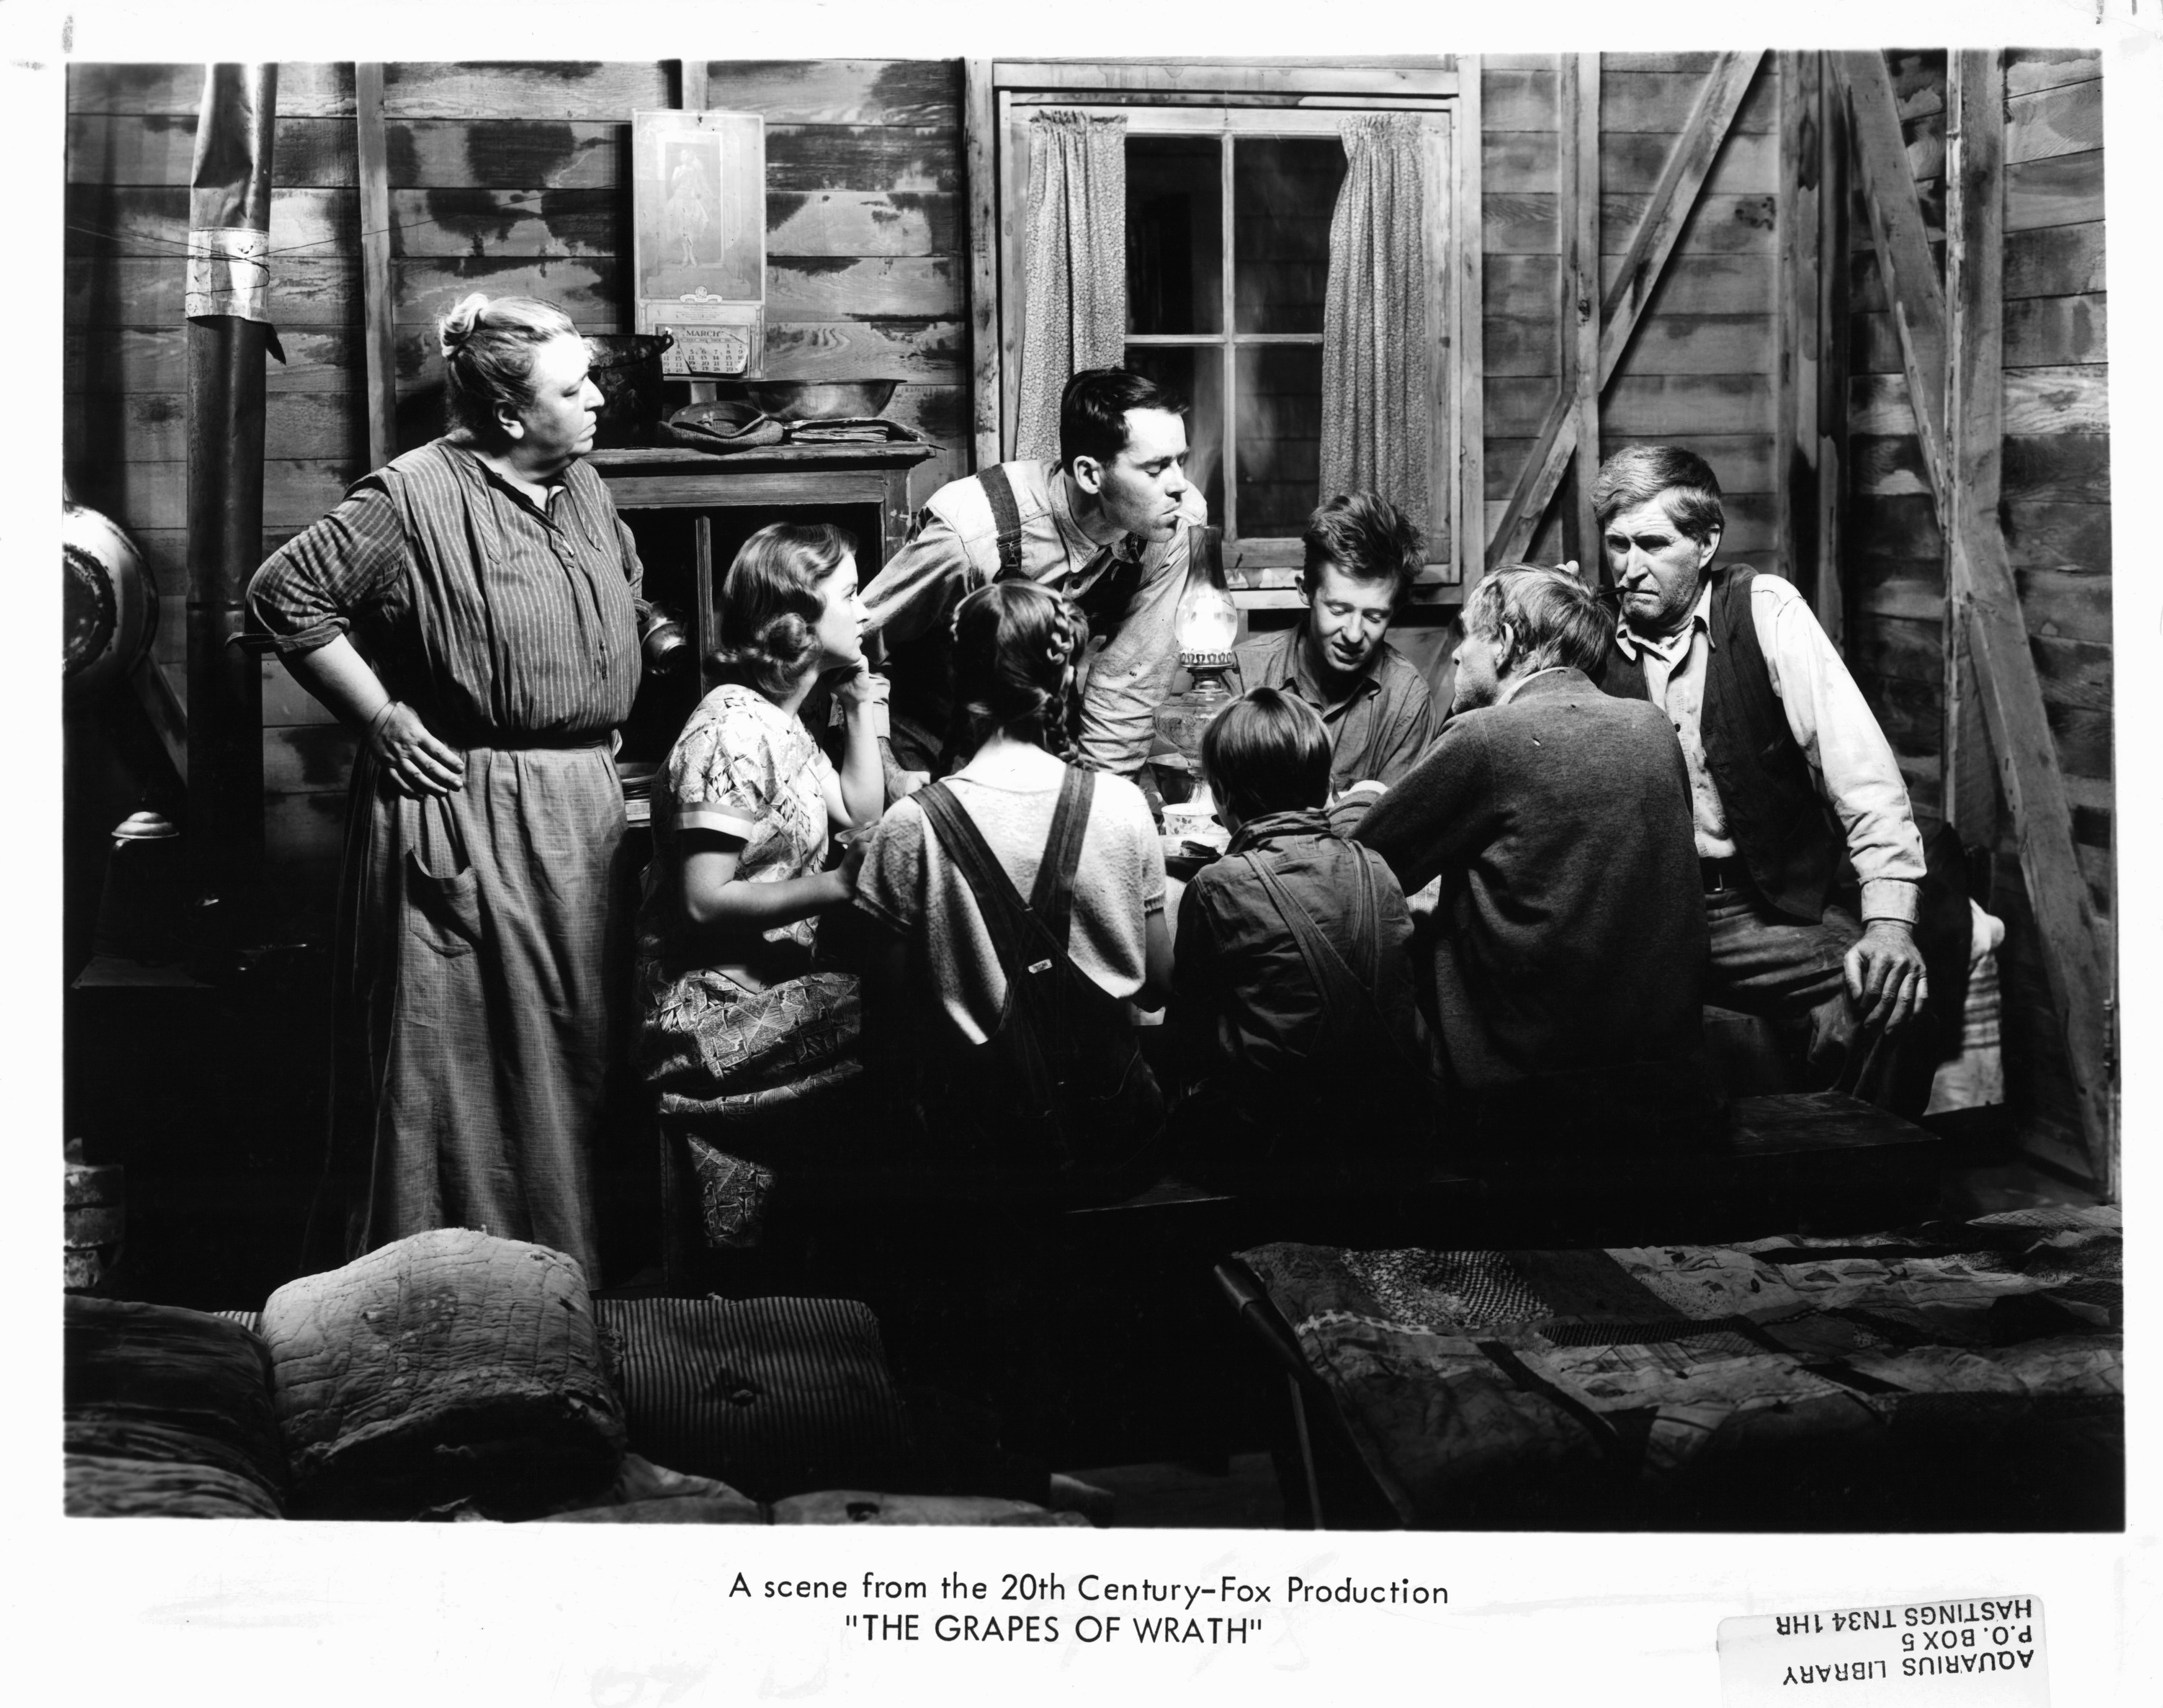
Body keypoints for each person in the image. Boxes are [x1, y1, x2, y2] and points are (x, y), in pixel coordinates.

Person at [248, 294, 643, 1283]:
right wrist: (381, 717)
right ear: (511, 415)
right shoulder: (412, 496)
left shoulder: (584, 486)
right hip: (473, 811)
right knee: (475, 1081)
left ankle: (564, 1288)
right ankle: (462, 1305)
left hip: (578, 813)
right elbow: (282, 596)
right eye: (572, 387)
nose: (597, 399)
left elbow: (620, 589)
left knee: (572, 1067)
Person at [1588, 445, 1935, 1113]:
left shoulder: (1765, 610)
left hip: (1754, 912)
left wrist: (1890, 922)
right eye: (1617, 544)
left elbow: (1862, 773)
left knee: (1894, 1005)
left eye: (1654, 544)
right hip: (1637, 918)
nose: (1630, 568)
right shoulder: (1587, 629)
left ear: (1706, 541)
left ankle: (1852, 1202)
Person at [1352, 565, 1716, 1149]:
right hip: (1663, 1095)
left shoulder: (1486, 737)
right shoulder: (1652, 726)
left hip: (1526, 1103)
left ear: (1504, 642)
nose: (1456, 656)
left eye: (1467, 635)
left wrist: (1359, 803)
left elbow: (1359, 865)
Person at [854, 579, 1172, 1206]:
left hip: (982, 1153)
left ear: (961, 674)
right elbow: (1159, 981)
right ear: (1065, 676)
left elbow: (889, 1018)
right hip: (1118, 1142)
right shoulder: (1123, 805)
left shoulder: (909, 826)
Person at [637, 523, 885, 1258]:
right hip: (706, 1011)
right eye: (848, 594)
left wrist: (862, 699)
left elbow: (861, 811)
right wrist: (838, 886)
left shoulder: (782, 721)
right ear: (798, 624)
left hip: (768, 987)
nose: (865, 608)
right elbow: (702, 901)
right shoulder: (732, 733)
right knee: (917, 1002)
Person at [859, 367, 1206, 784]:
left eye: (1180, 462)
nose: (1180, 486)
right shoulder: (971, 534)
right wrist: (888, 773)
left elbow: (1128, 684)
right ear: (1090, 474)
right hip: (926, 742)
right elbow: (851, 648)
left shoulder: (1176, 523)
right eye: (1155, 469)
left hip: (1036, 751)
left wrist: (1096, 806)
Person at [1170, 687, 1437, 1189]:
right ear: (1324, 790)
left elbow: (1191, 1031)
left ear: (1222, 795)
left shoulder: (1217, 886)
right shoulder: (1375, 867)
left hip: (1275, 1146)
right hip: (1386, 1128)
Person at [1224, 494, 1440, 795]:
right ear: (1306, 591)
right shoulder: (1242, 675)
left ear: (1396, 610)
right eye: (1338, 610)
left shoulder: (1407, 699)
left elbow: (1393, 831)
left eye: (1374, 616)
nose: (1353, 635)